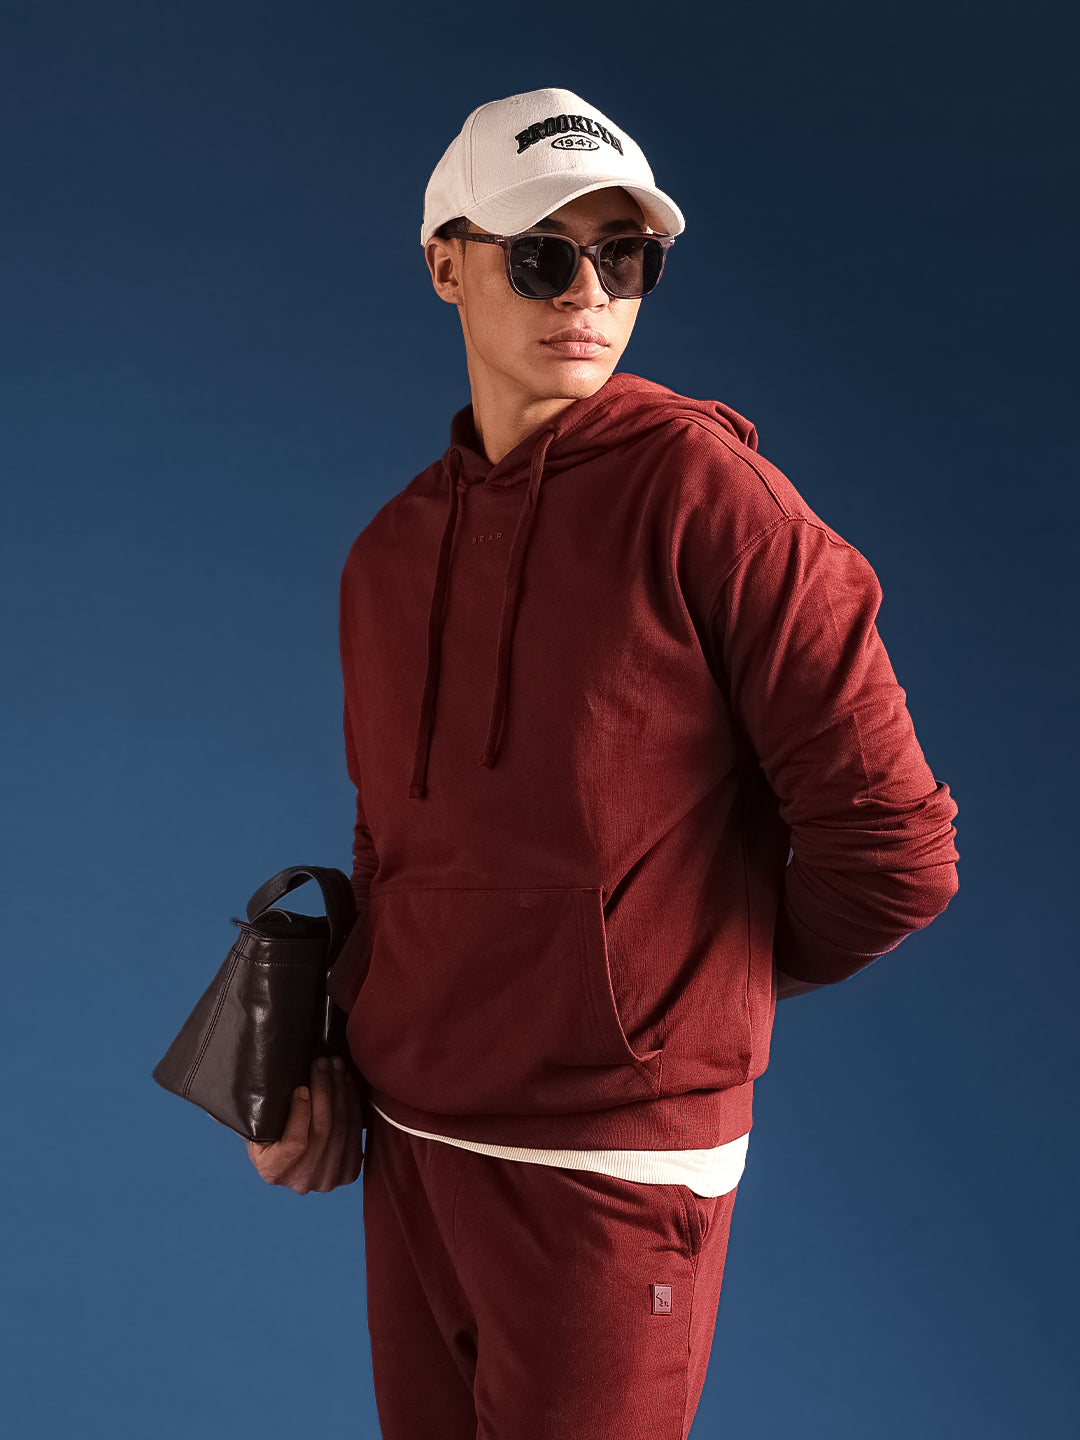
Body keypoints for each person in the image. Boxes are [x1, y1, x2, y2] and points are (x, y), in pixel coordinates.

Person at [247, 86, 960, 1438]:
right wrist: (323, 1062)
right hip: (416, 1145)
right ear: (445, 264)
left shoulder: (716, 504)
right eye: (542, 255)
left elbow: (898, 855)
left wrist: (660, 990)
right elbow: (394, 851)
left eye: (623, 259)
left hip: (612, 1167)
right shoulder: (388, 554)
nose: (588, 293)